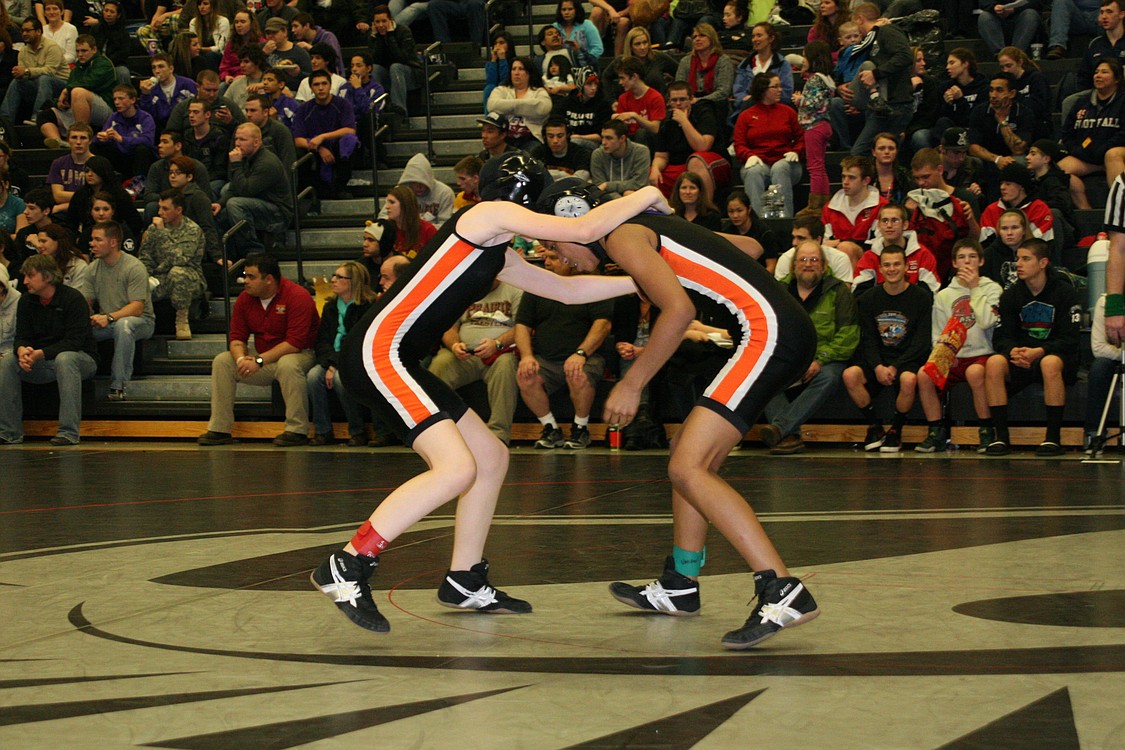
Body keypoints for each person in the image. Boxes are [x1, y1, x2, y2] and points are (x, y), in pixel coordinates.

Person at [313, 156, 669, 634]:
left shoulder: (496, 248)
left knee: (492, 457)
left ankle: (463, 577)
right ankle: (349, 562)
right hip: (379, 353)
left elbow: (569, 290)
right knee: (457, 467)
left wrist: (652, 280)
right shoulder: (480, 218)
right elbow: (586, 228)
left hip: (397, 357)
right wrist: (647, 192)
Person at [531, 180, 823, 649]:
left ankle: (782, 590)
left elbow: (678, 310)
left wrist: (631, 382)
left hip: (767, 335)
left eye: (552, 242)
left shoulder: (621, 235)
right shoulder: (646, 227)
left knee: (687, 466)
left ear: (578, 223)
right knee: (688, 459)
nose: (555, 253)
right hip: (775, 331)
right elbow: (748, 245)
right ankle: (680, 585)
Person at [198, 253, 319, 447]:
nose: (245, 281)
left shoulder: (298, 296)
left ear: (269, 279)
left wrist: (259, 360)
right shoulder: (246, 299)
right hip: (264, 357)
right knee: (222, 360)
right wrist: (241, 360)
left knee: (288, 364)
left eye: (251, 277)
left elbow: (294, 343)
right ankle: (219, 428)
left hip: (300, 354)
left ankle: (297, 430)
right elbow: (237, 337)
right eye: (245, 276)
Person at [759, 239, 859, 454]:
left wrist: (820, 359)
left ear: (824, 266)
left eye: (814, 259)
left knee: (829, 376)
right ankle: (788, 436)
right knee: (763, 375)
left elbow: (848, 336)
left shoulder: (839, 292)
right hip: (790, 358)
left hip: (827, 359)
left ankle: (779, 428)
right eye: (803, 259)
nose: (808, 264)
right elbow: (771, 331)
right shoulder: (779, 291)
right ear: (794, 265)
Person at [984, 238, 1081, 456]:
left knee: (1049, 362)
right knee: (994, 363)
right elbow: (1001, 337)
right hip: (1022, 358)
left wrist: (1041, 351)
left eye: (1026, 259)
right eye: (1018, 258)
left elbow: (1071, 338)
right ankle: (1001, 438)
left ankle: (1053, 439)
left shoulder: (1064, 292)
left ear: (1043, 262)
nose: (1018, 263)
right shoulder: (1010, 295)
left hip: (1057, 357)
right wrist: (1012, 351)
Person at [515, 246, 613, 451]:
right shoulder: (537, 286)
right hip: (547, 359)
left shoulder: (591, 285)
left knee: (577, 373)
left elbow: (602, 324)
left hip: (586, 357)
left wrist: (581, 353)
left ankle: (581, 429)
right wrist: (526, 356)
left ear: (570, 260)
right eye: (546, 258)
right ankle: (550, 428)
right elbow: (522, 325)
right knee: (526, 376)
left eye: (553, 258)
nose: (547, 263)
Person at [843, 244, 933, 453]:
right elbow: (868, 339)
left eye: (896, 264)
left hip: (907, 358)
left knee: (909, 379)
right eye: (887, 265)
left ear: (905, 268)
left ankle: (896, 430)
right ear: (880, 269)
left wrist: (895, 366)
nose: (892, 269)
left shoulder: (921, 298)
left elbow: (921, 341)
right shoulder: (867, 299)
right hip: (878, 358)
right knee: (850, 375)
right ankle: (875, 427)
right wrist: (877, 366)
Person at [0, 253, 97, 446]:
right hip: (41, 360)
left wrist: (40, 353)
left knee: (65, 358)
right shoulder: (26, 301)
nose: (25, 281)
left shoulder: (72, 298)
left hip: (81, 359)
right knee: (8, 361)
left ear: (47, 276)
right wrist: (21, 351)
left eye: (30, 276)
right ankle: (9, 432)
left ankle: (68, 432)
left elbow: (75, 341)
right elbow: (22, 336)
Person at [914, 238, 1001, 453]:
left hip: (981, 354)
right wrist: (944, 355)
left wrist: (974, 289)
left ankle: (986, 430)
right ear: (954, 263)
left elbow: (987, 321)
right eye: (962, 258)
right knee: (924, 375)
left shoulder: (992, 289)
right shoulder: (944, 295)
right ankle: (936, 430)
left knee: (974, 373)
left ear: (981, 261)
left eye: (972, 257)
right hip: (953, 355)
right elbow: (938, 332)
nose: (967, 262)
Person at [428, 279, 523, 445]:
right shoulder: (465, 289)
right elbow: (449, 327)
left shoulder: (515, 290)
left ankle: (499, 434)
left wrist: (498, 343)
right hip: (465, 355)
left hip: (499, 352)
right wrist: (454, 344)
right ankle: (433, 429)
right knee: (439, 364)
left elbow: (522, 327)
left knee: (506, 365)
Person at [307, 260, 379, 446]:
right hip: (332, 358)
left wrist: (335, 365)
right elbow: (321, 341)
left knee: (340, 379)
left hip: (355, 358)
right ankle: (323, 431)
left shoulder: (366, 307)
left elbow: (357, 342)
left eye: (339, 277)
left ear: (353, 281)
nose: (333, 280)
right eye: (334, 275)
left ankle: (358, 430)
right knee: (314, 376)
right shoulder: (330, 306)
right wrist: (330, 363)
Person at [86, 220, 154, 401]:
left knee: (123, 325)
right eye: (92, 239)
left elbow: (137, 308)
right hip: (108, 321)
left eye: (98, 239)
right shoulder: (92, 269)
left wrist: (108, 317)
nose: (92, 244)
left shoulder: (134, 267)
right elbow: (87, 301)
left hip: (141, 321)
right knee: (77, 329)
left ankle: (120, 386)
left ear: (113, 242)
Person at [733, 72, 803, 218]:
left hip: (786, 164)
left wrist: (796, 151)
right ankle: (758, 223)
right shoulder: (746, 116)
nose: (780, 90)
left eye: (780, 86)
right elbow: (739, 144)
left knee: (779, 168)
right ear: (763, 89)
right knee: (753, 172)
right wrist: (748, 155)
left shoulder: (788, 112)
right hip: (759, 162)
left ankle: (783, 221)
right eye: (775, 86)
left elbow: (801, 138)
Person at [217, 123, 292, 259]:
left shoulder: (267, 162)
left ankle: (253, 250)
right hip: (259, 201)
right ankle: (228, 253)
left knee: (235, 204)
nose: (238, 144)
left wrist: (236, 164)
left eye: (243, 140)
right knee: (225, 193)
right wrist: (220, 204)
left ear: (256, 142)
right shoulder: (247, 156)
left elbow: (245, 190)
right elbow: (235, 186)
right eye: (236, 139)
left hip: (278, 212)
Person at [139, 189, 206, 340]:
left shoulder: (192, 230)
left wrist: (162, 233)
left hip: (189, 279)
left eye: (165, 208)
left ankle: (182, 321)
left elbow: (180, 260)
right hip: (159, 278)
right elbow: (145, 257)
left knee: (178, 272)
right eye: (159, 208)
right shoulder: (152, 229)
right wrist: (146, 276)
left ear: (179, 210)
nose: (160, 212)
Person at [648, 81, 730, 203]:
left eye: (682, 99)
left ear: (691, 99)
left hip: (710, 161)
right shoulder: (666, 122)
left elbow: (702, 146)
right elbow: (661, 156)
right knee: (652, 173)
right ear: (669, 102)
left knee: (696, 160)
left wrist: (684, 122)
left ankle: (704, 210)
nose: (678, 104)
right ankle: (668, 214)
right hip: (681, 165)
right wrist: (655, 168)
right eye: (674, 100)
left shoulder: (704, 113)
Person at [1059, 60, 1125, 210]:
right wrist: (1077, 151)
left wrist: (1103, 149)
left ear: (1117, 78)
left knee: (1112, 155)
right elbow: (1067, 134)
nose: (1098, 76)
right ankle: (1086, 210)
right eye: (1096, 72)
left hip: (1116, 152)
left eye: (1104, 72)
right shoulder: (1081, 102)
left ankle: (1121, 210)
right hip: (1089, 157)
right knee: (1059, 170)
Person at [293, 69, 357, 200]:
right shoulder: (304, 109)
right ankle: (311, 195)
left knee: (349, 140)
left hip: (336, 146)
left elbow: (350, 130)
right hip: (314, 149)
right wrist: (320, 148)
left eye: (324, 84)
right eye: (316, 85)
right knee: (300, 153)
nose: (321, 88)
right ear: (311, 88)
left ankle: (341, 187)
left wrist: (323, 137)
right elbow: (298, 140)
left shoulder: (342, 104)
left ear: (330, 85)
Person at [852, 202, 941, 293]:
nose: (889, 225)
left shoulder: (923, 255)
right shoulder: (869, 257)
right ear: (879, 225)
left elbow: (931, 293)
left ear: (905, 225)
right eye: (885, 221)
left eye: (895, 221)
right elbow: (859, 294)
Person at [967, 72, 1034, 185]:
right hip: (987, 158)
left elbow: (1018, 150)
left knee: (1020, 161)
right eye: (991, 90)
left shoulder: (1024, 113)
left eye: (999, 90)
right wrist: (997, 159)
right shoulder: (980, 111)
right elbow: (973, 147)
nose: (993, 95)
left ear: (1012, 93)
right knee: (973, 162)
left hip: (1012, 158)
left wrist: (1002, 122)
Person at [0, 18, 68, 124]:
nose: (24, 34)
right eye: (22, 31)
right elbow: (24, 74)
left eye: (28, 30)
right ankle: (5, 122)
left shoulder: (51, 47)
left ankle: (37, 118)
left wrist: (26, 71)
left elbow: (50, 71)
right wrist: (19, 73)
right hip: (38, 86)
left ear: (38, 31)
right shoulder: (23, 51)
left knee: (45, 79)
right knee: (17, 82)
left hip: (61, 86)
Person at [822, 155, 886, 266]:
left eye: (851, 178)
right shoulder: (830, 207)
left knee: (846, 248)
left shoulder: (881, 206)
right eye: (843, 177)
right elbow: (824, 242)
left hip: (871, 260)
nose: (845, 182)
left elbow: (881, 243)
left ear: (866, 180)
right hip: (834, 258)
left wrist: (844, 243)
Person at [796, 40, 836, 218]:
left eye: (805, 56)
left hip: (815, 126)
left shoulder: (815, 79)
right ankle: (824, 202)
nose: (803, 60)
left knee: (814, 167)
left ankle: (815, 205)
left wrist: (799, 100)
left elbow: (814, 102)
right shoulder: (826, 79)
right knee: (820, 167)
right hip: (824, 125)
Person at [979, 162, 1055, 246]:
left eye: (1008, 184)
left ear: (1021, 186)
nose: (1002, 187)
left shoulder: (1039, 209)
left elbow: (1041, 246)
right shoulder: (992, 210)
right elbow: (985, 243)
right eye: (1001, 183)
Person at [487, 57, 553, 151]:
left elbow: (544, 108)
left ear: (529, 73)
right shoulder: (501, 90)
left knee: (534, 152)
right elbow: (491, 106)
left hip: (531, 139)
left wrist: (508, 107)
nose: (516, 73)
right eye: (514, 69)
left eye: (521, 69)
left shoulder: (539, 91)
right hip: (505, 138)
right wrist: (526, 106)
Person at [143, 131, 211, 220]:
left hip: (189, 205)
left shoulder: (197, 166)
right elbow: (148, 195)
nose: (159, 145)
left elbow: (206, 196)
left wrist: (178, 199)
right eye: (160, 142)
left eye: (165, 142)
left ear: (178, 146)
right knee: (151, 207)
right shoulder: (156, 167)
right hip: (165, 207)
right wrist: (170, 201)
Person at [94, 84, 157, 181]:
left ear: (133, 100)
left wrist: (122, 139)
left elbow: (148, 141)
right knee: (96, 146)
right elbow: (103, 134)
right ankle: (105, 180)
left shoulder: (145, 117)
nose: (117, 102)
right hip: (121, 158)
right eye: (115, 99)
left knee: (142, 149)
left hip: (137, 158)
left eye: (121, 98)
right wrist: (102, 137)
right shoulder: (114, 117)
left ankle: (138, 184)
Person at [368, 4, 420, 118]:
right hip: (389, 75)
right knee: (375, 69)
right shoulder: (375, 36)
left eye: (384, 21)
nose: (380, 25)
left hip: (410, 74)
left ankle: (399, 111)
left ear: (390, 21)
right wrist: (376, 39)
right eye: (377, 22)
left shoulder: (403, 31)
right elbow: (374, 60)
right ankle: (377, 112)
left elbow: (403, 58)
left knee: (395, 67)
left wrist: (390, 36)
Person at [732, 21, 792, 119]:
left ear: (771, 38)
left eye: (759, 35)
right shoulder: (745, 65)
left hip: (775, 110)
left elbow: (786, 93)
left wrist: (762, 99)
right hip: (750, 110)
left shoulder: (783, 64)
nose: (755, 39)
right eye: (753, 36)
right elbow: (738, 92)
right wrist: (745, 99)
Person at [600, 26, 677, 102]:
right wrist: (611, 101)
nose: (642, 47)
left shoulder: (658, 57)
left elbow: (679, 71)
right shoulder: (621, 61)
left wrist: (672, 95)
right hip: (630, 107)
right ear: (630, 46)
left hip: (657, 105)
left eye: (645, 42)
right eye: (637, 44)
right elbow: (605, 77)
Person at [379, 152, 453, 229]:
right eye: (414, 183)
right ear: (408, 182)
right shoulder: (400, 192)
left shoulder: (444, 193)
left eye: (423, 183)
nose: (419, 187)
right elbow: (383, 218)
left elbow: (446, 225)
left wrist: (420, 228)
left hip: (434, 237)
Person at [773, 215, 855, 281]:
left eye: (801, 238)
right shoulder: (786, 259)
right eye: (794, 237)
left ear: (818, 240)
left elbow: (844, 295)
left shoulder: (839, 259)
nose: (794, 243)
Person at [611, 57, 666, 147]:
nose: (620, 82)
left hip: (649, 142)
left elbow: (655, 128)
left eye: (622, 78)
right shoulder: (623, 98)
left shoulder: (655, 97)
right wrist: (616, 119)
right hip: (628, 141)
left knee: (641, 133)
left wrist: (635, 116)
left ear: (634, 77)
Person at [676, 22, 734, 106]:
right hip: (689, 103)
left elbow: (723, 91)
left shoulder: (723, 60)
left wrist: (699, 100)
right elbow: (679, 88)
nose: (697, 39)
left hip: (716, 103)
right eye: (694, 37)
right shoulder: (685, 61)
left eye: (702, 35)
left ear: (712, 38)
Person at [138, 53, 198, 132]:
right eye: (154, 68)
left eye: (161, 66)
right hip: (162, 129)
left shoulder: (187, 84)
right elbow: (148, 116)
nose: (157, 71)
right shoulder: (151, 90)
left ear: (171, 69)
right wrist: (145, 95)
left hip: (186, 127)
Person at [721, 189, 780, 269]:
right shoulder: (726, 231)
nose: (735, 215)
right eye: (731, 211)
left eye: (739, 211)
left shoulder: (764, 232)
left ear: (749, 209)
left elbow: (771, 266)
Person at [591, 119, 651, 198]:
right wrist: (620, 200)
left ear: (622, 138)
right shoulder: (598, 154)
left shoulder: (641, 151)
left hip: (636, 198)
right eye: (603, 137)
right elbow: (599, 186)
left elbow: (639, 183)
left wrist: (608, 185)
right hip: (610, 200)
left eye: (609, 138)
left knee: (629, 193)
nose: (603, 142)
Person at [557, 67, 611, 153]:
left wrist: (578, 137)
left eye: (595, 84)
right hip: (567, 140)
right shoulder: (567, 102)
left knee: (574, 142)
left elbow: (602, 135)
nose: (593, 88)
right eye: (589, 84)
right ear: (580, 85)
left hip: (594, 143)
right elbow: (556, 121)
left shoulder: (603, 104)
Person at [529, 116, 591, 182]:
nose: (555, 140)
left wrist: (549, 177)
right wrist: (564, 175)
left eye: (560, 136)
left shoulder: (581, 153)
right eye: (551, 136)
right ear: (545, 137)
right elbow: (533, 176)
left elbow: (579, 180)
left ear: (567, 135)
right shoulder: (538, 152)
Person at [243, 92, 296, 168]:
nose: (248, 114)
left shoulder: (280, 131)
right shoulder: (242, 130)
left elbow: (288, 163)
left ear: (265, 112)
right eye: (246, 110)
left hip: (272, 175)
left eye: (253, 110)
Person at [37, 222, 90, 297]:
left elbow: (78, 297)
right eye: (39, 241)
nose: (39, 245)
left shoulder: (78, 265)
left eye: (43, 241)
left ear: (58, 241)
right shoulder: (39, 263)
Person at [382, 184, 435, 258]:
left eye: (392, 202)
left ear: (405, 204)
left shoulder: (428, 230)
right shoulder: (385, 229)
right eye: (387, 202)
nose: (387, 207)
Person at [90, 0, 132, 86]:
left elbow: (124, 53)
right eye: (106, 11)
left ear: (118, 15)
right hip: (96, 63)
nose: (108, 14)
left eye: (112, 12)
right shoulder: (95, 29)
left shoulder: (123, 33)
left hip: (115, 64)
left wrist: (107, 61)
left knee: (123, 73)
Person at [977, 0, 1042, 55]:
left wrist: (1014, 9)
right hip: (997, 16)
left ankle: (1016, 54)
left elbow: (1036, 3)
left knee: (1030, 14)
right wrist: (994, 7)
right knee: (984, 16)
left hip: (1022, 16)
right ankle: (999, 53)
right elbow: (983, 2)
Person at [220, 10, 264, 86]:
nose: (238, 25)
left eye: (243, 22)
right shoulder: (231, 43)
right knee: (222, 86)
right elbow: (224, 67)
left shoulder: (261, 42)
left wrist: (243, 76)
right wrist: (226, 76)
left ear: (251, 24)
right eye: (236, 22)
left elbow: (261, 67)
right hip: (233, 79)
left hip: (252, 78)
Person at [291, 12, 343, 77]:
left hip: (331, 77)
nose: (293, 30)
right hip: (310, 77)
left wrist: (311, 48)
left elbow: (334, 59)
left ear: (307, 26)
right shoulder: (299, 41)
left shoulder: (327, 37)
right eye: (292, 27)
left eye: (296, 26)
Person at [185, 0, 229, 71]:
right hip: (199, 52)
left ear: (212, 6)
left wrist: (201, 49)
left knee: (210, 55)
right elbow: (192, 42)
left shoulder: (223, 21)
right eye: (199, 4)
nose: (202, 7)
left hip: (218, 55)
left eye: (205, 4)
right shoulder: (193, 22)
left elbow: (220, 47)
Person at [485, 30, 516, 113]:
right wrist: (493, 61)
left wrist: (502, 59)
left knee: (501, 85)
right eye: (495, 43)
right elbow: (491, 80)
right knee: (489, 88)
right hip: (496, 90)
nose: (497, 46)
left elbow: (505, 79)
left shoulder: (515, 62)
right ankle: (489, 118)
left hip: (511, 88)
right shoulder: (491, 63)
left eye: (501, 43)